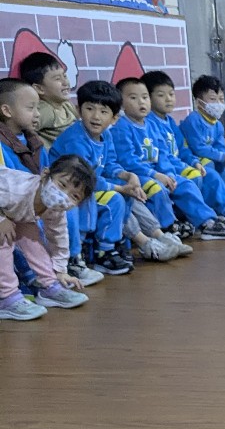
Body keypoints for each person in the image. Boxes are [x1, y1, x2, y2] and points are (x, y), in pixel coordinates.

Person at [0, 76, 103, 289]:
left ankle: (56, 274)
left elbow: (58, 233)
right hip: (10, 206)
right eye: (31, 108)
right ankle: (10, 291)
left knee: (59, 217)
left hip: (26, 205)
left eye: (38, 108)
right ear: (7, 110)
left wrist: (59, 269)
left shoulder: (35, 142)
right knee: (8, 236)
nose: (37, 114)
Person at [111, 77, 225, 242]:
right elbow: (128, 161)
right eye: (133, 98)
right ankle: (169, 226)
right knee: (157, 188)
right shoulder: (121, 127)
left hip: (158, 171)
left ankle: (207, 222)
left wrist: (169, 173)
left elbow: (163, 154)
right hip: (139, 174)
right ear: (121, 103)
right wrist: (156, 174)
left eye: (144, 97)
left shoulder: (151, 125)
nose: (141, 102)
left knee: (186, 185)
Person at [141, 70, 225, 230]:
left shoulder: (170, 121)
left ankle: (224, 212)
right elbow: (163, 155)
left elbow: (183, 149)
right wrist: (185, 166)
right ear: (148, 98)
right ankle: (213, 218)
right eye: (161, 95)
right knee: (204, 176)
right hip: (168, 169)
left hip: (179, 165)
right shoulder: (151, 123)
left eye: (171, 94)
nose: (168, 99)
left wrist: (194, 162)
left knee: (213, 171)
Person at [50, 80, 140, 276]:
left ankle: (107, 248)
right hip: (66, 190)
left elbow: (110, 164)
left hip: (88, 187)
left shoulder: (106, 136)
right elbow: (79, 179)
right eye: (89, 109)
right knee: (113, 198)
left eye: (103, 111)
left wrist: (127, 176)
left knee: (127, 193)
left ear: (114, 118)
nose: (96, 116)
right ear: (78, 110)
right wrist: (118, 188)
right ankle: (77, 254)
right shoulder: (76, 139)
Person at [0, 154, 95, 321]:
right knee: (4, 239)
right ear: (45, 174)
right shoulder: (15, 188)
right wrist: (1, 219)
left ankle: (49, 286)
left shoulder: (55, 209)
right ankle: (7, 297)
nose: (63, 195)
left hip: (12, 212)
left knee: (33, 240)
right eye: (62, 185)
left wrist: (60, 271)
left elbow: (58, 238)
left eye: (74, 196)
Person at [180, 75, 225, 183]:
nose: (218, 104)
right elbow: (199, 148)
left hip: (206, 155)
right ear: (199, 102)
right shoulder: (193, 120)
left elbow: (220, 147)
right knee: (209, 165)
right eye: (212, 99)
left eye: (221, 99)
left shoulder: (218, 125)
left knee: (222, 165)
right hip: (191, 157)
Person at [19, 50, 78, 147]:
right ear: (39, 89)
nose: (65, 82)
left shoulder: (66, 105)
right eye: (57, 79)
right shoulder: (45, 110)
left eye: (64, 76)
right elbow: (22, 127)